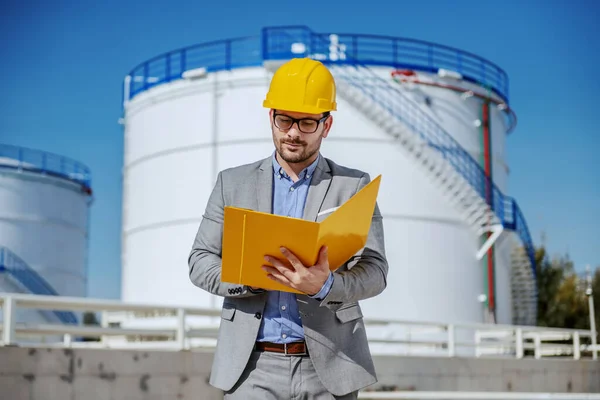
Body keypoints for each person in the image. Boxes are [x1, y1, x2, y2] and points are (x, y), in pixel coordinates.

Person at [188, 57, 388, 399]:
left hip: (329, 365)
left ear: (327, 125)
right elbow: (199, 261)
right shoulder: (232, 184)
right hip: (252, 368)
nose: (293, 132)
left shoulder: (353, 186)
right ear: (271, 118)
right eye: (284, 120)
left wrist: (326, 285)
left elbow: (376, 272)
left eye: (307, 123)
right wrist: (246, 276)